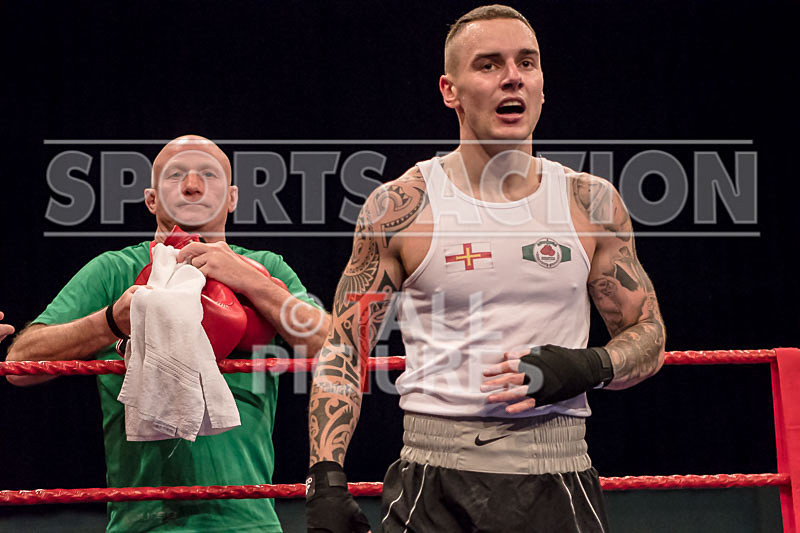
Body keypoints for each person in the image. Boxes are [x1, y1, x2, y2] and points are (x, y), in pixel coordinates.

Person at [306, 5, 665, 532]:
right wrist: (325, 478)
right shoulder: (401, 207)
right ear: (450, 90)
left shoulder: (590, 203)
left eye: (526, 62)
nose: (512, 77)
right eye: (489, 64)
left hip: (558, 474)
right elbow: (346, 347)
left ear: (542, 85)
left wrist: (585, 367)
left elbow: (649, 334)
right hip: (433, 480)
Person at [6, 135, 330, 532]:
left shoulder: (267, 268)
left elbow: (333, 348)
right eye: (175, 175)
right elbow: (20, 363)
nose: (192, 185)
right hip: (142, 521)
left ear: (231, 198)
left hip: (247, 521)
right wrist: (110, 321)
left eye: (208, 175)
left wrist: (252, 282)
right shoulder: (113, 271)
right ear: (152, 200)